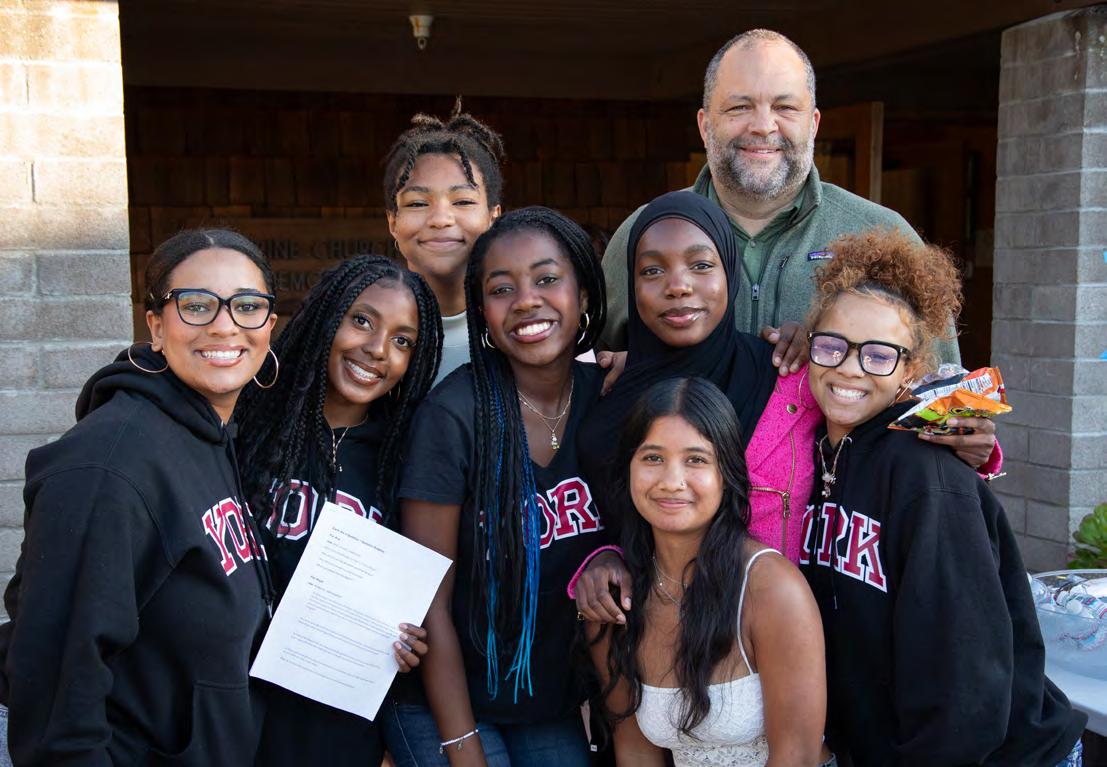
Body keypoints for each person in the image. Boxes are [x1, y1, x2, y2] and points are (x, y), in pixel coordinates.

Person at [800, 228, 1086, 766]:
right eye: (832, 345)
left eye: (879, 355)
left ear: (910, 371)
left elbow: (966, 678)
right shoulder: (806, 456)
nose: (849, 367)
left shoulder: (928, 477)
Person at [0, 229, 279, 765]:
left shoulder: (213, 434)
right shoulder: (106, 466)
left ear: (269, 324)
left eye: (247, 305)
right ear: (155, 326)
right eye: (196, 305)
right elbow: (56, 691)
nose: (225, 325)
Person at [598, 29, 966, 380]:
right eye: (740, 107)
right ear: (705, 126)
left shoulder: (881, 234)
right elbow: (591, 376)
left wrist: (828, 347)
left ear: (814, 124)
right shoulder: (643, 234)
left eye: (785, 107)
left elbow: (939, 397)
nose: (763, 126)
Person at [383, 207, 606, 766]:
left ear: (582, 293)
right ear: (482, 310)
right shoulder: (454, 416)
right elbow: (429, 598)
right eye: (502, 289)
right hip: (442, 695)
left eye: (547, 279)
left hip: (542, 696)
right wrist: (463, 748)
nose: (527, 300)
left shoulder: (611, 398)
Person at [234, 256, 443, 766]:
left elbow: (404, 599)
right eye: (362, 320)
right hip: (235, 712)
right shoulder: (247, 424)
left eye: (403, 341)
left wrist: (407, 641)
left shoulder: (403, 458)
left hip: (337, 725)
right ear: (327, 318)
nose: (378, 349)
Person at [589, 376, 831, 767]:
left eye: (696, 460)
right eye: (652, 458)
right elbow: (635, 752)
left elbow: (797, 758)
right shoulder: (618, 600)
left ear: (726, 473)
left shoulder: (771, 589)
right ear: (628, 468)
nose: (672, 482)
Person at [382, 105, 504, 385]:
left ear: (493, 217)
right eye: (417, 203)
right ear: (393, 222)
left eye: (463, 201)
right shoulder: (364, 336)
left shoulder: (528, 324)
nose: (440, 219)